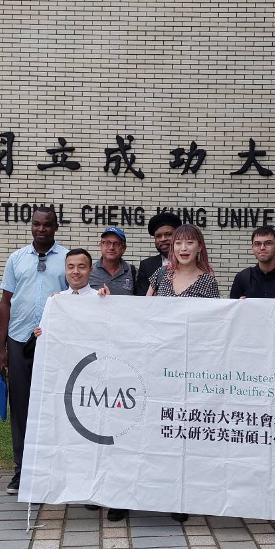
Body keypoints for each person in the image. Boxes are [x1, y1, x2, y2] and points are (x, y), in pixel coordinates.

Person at [32, 249, 124, 522]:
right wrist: (41, 333)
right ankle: (86, 489)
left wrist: (107, 303)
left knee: (102, 436)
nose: (75, 272)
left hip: (96, 380)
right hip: (68, 381)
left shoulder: (101, 298)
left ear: (89, 270)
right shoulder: (55, 301)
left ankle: (107, 491)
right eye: (71, 266)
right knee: (76, 436)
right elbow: (48, 340)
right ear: (65, 270)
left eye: (81, 267)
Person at [147, 224, 219, 522]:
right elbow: (141, 312)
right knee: (154, 426)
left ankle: (180, 495)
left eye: (190, 242)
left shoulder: (208, 283)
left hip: (190, 367)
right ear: (172, 248)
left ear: (199, 247)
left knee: (182, 432)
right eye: (179, 243)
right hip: (157, 362)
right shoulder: (160, 276)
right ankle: (151, 490)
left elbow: (215, 324)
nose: (184, 248)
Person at [0, 207, 68, 496]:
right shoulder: (16, 259)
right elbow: (5, 303)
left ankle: (52, 469)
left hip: (54, 342)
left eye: (47, 224)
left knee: (53, 405)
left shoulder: (66, 259)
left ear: (56, 227)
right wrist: (1, 348)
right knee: (22, 406)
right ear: (31, 226)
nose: (41, 229)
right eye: (37, 224)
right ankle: (21, 470)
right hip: (18, 340)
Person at [229, 226, 275, 299]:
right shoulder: (241, 278)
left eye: (268, 243)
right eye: (257, 244)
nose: (262, 247)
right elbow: (232, 309)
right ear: (252, 248)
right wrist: (238, 305)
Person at [135, 211, 182, 296]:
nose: (163, 239)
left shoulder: (190, 263)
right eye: (158, 236)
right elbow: (142, 299)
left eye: (168, 234)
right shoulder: (146, 265)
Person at [89, 226, 137, 295]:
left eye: (117, 244)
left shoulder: (133, 273)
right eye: (107, 243)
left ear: (124, 248)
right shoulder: (90, 272)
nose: (111, 247)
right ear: (100, 245)